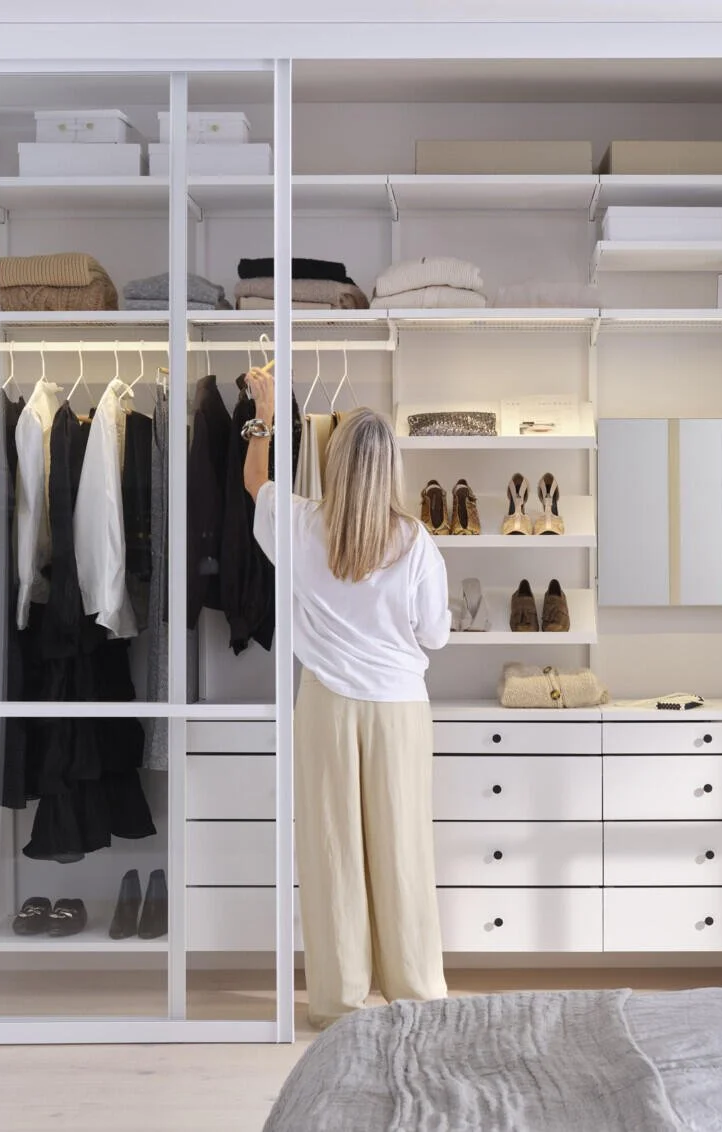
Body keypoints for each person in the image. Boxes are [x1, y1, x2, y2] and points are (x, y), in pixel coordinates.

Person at [243, 371, 452, 1029]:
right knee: (403, 848)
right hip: (398, 709)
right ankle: (416, 993)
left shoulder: (301, 524)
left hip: (326, 704)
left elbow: (255, 481)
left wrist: (264, 414)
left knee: (332, 850)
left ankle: (339, 1003)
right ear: (391, 467)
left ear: (334, 461)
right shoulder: (417, 543)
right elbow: (435, 634)